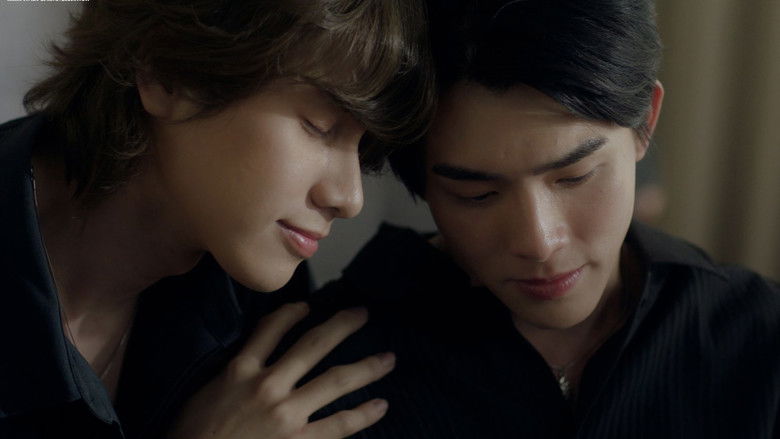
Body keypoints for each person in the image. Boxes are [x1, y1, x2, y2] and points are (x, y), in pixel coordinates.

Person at [302, 0, 780, 437]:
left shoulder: (756, 333)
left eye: (575, 177)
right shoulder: (325, 367)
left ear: (644, 126)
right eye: (477, 195)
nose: (540, 242)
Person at [0, 1, 434, 438]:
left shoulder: (250, 287)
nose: (349, 198)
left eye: (363, 149)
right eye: (319, 126)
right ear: (168, 75)